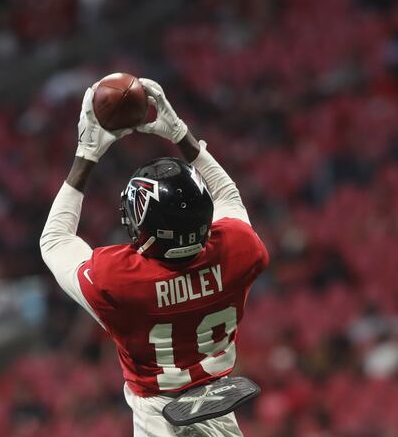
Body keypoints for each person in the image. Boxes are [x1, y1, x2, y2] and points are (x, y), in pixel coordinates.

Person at [40, 78, 269, 436]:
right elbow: (228, 195)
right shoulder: (240, 250)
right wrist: (180, 133)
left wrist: (87, 154)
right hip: (219, 408)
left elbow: (54, 240)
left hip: (158, 418)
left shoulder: (118, 280)